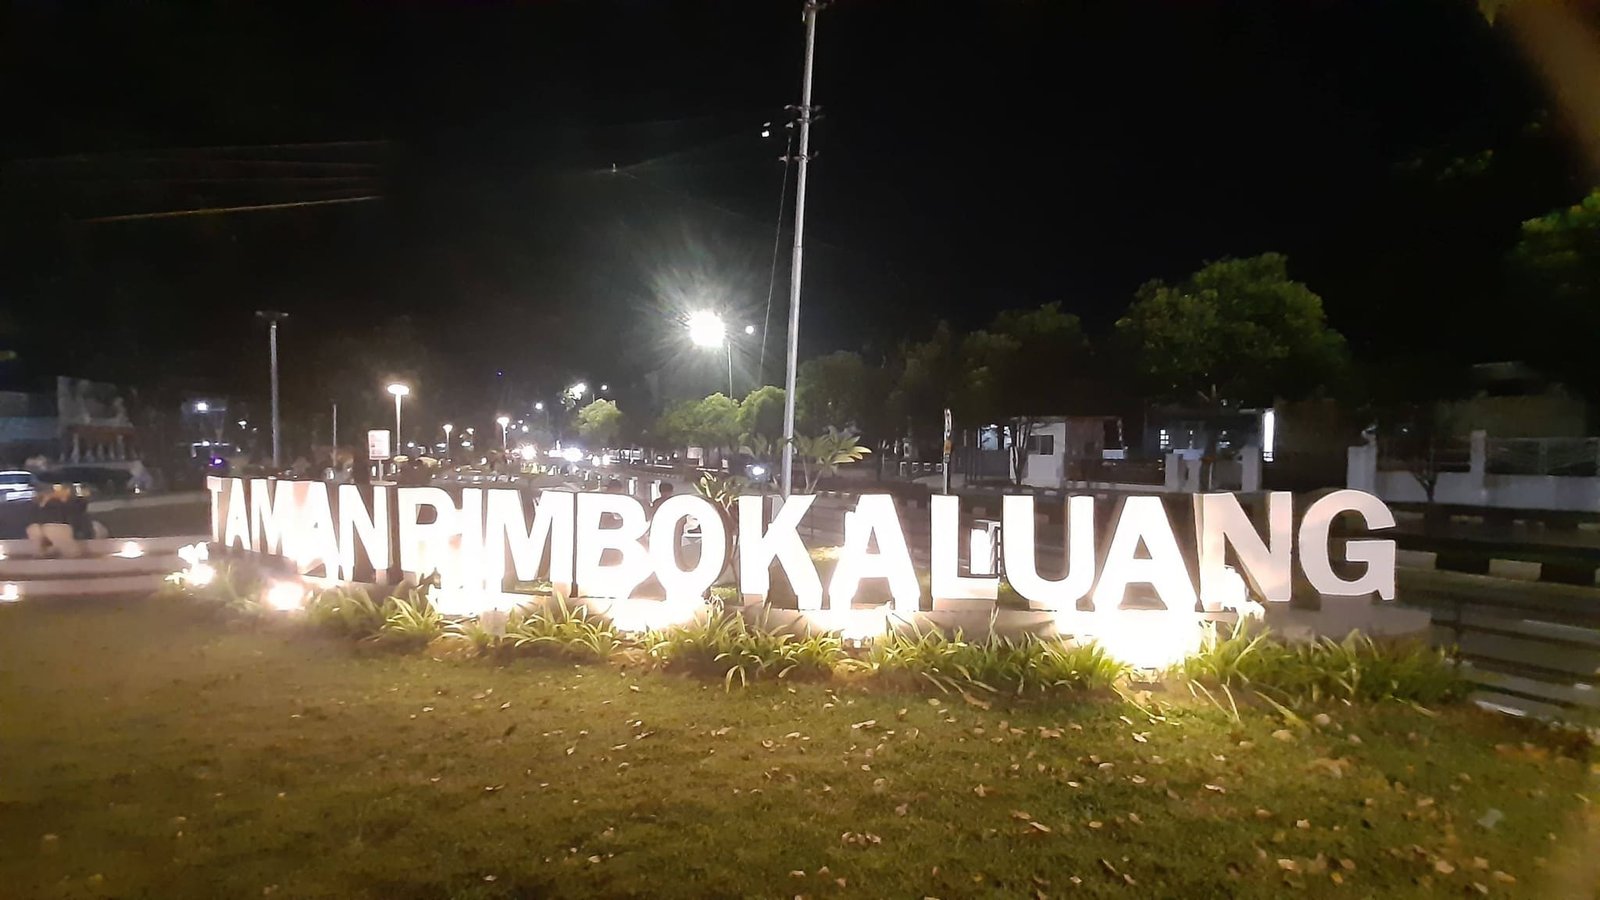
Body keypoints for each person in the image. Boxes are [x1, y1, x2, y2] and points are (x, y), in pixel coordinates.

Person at [26, 483, 83, 558]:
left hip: (37, 527)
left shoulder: (37, 503)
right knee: (72, 554)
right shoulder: (58, 502)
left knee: (40, 553)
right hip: (55, 527)